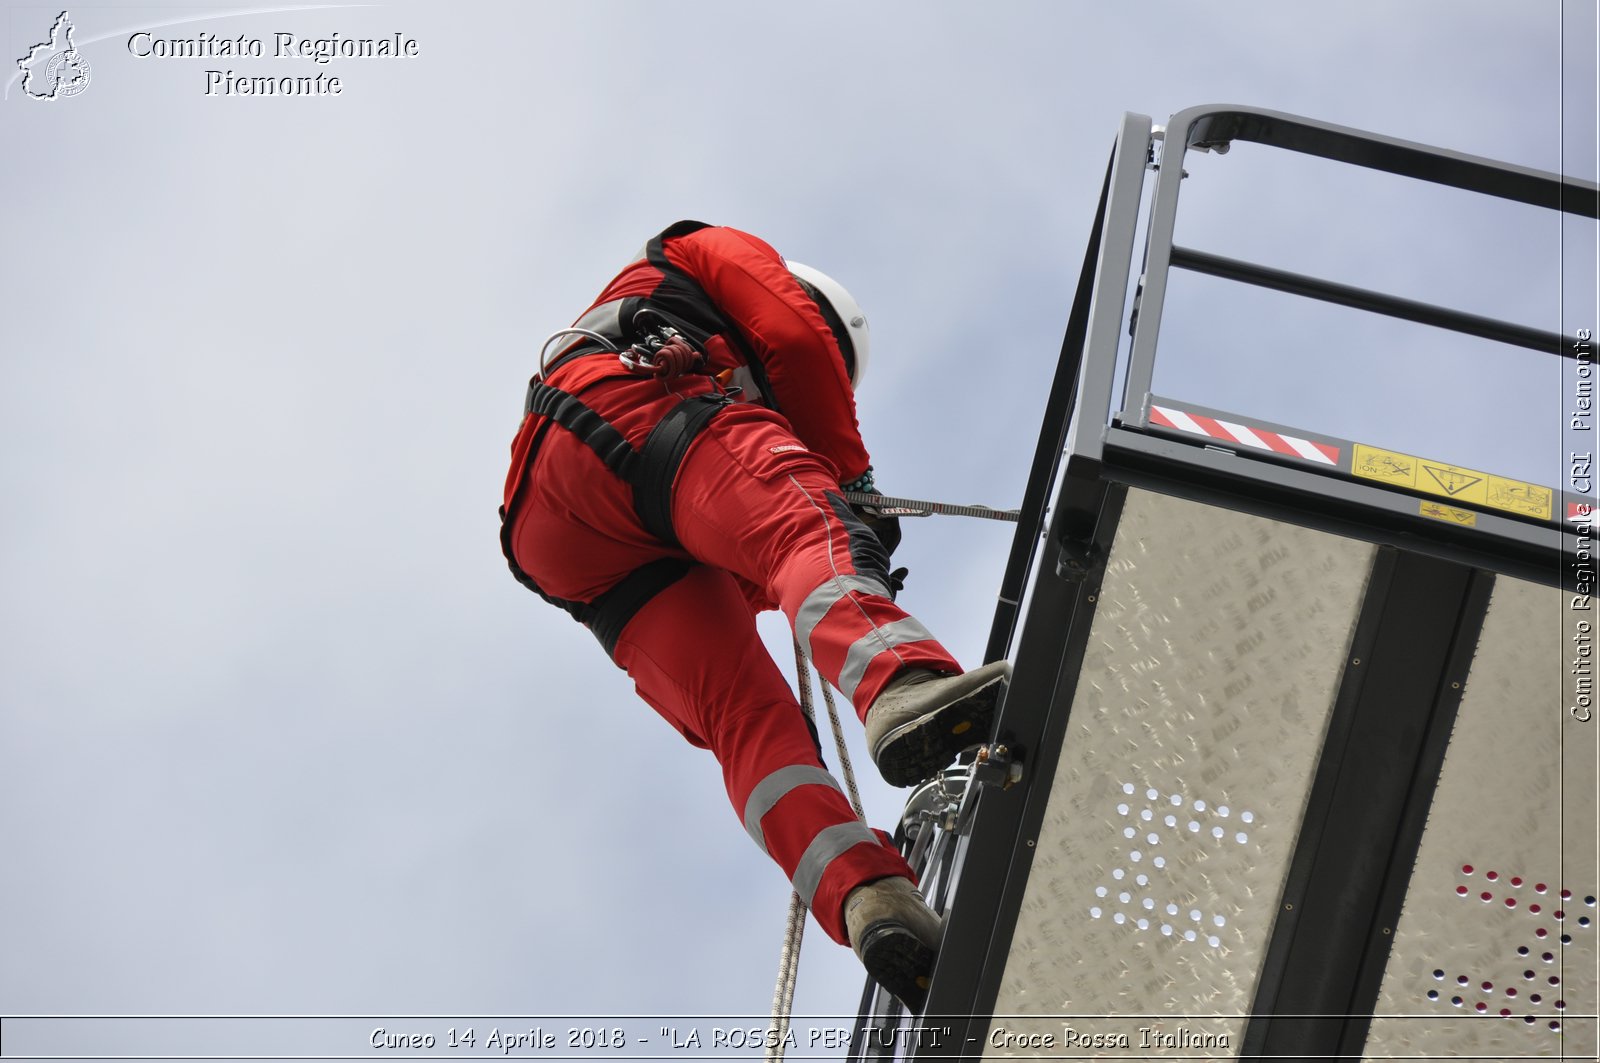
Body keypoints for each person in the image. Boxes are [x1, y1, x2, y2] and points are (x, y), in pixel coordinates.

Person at [499, 220, 1010, 1009]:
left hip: (556, 528)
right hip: (639, 402)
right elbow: (793, 339)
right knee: (808, 528)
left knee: (744, 715)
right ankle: (900, 686)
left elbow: (753, 578)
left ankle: (867, 896)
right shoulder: (696, 248)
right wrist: (849, 483)